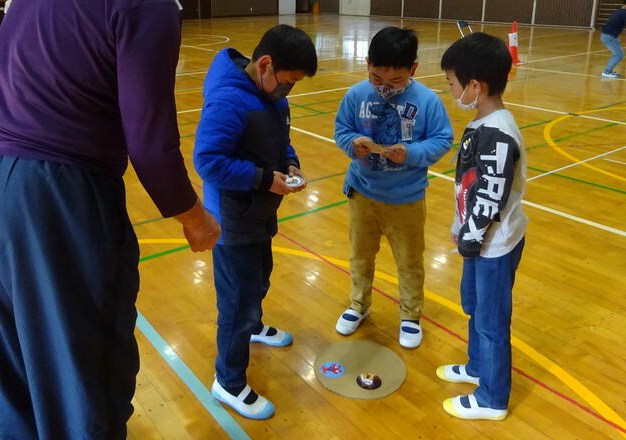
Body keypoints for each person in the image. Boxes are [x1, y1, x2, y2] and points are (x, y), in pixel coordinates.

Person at [0, 0, 221, 440]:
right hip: (53, 195)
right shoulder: (147, 0)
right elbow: (150, 141)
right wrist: (193, 217)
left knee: (17, 356)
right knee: (87, 369)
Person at [193, 24, 318, 419]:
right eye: (287, 82)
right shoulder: (229, 101)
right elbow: (208, 162)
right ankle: (228, 382)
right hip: (232, 220)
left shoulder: (271, 94)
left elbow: (282, 139)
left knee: (261, 277)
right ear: (265, 64)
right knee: (236, 303)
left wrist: (291, 162)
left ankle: (256, 325)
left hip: (261, 210)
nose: (288, 91)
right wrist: (265, 178)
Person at [333, 27, 452, 348]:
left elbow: (443, 140)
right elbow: (342, 129)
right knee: (360, 256)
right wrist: (351, 143)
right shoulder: (357, 94)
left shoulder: (427, 101)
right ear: (368, 63)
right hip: (362, 194)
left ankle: (410, 315)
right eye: (376, 77)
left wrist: (411, 153)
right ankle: (358, 304)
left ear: (413, 69)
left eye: (395, 81)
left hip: (407, 200)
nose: (384, 87)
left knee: (410, 261)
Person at [437, 32, 527, 421]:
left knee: (491, 323)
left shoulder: (497, 133)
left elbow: (490, 197)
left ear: (475, 85)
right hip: (476, 241)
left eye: (453, 84)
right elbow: (470, 184)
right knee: (474, 307)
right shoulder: (482, 121)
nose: (452, 91)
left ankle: (492, 398)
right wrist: (461, 226)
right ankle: (477, 368)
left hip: (493, 245)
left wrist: (469, 239)